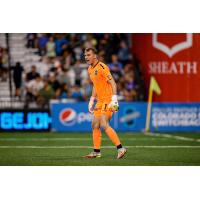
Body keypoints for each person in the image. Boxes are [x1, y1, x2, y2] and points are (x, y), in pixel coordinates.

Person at [83, 47, 127, 159]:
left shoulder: (102, 67)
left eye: (88, 55)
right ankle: (96, 152)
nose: (86, 57)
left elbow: (113, 83)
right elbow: (95, 85)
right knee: (95, 125)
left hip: (108, 99)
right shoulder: (90, 69)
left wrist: (114, 99)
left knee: (103, 123)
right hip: (100, 101)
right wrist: (91, 100)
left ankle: (120, 148)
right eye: (85, 55)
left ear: (94, 56)